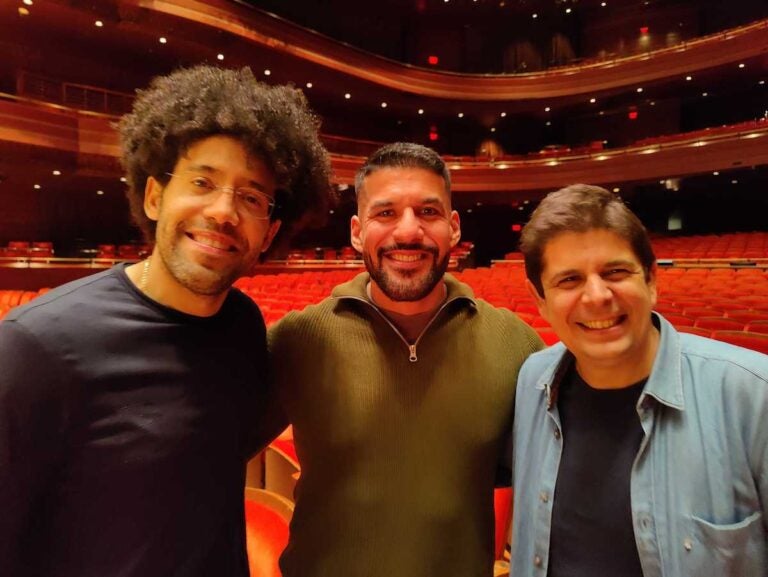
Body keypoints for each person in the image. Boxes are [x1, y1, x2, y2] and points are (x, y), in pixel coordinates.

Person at [0, 65, 331, 577]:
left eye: (250, 197)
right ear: (154, 196)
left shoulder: (242, 326)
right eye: (203, 181)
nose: (223, 211)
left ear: (268, 234)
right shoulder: (34, 346)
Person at [268, 142, 544, 577]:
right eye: (386, 213)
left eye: (429, 212)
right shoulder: (298, 339)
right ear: (357, 231)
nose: (409, 232)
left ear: (454, 228)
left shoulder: (515, 344)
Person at [510, 184, 768, 577]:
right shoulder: (531, 382)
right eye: (569, 281)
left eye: (615, 272)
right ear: (540, 300)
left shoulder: (754, 395)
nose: (596, 296)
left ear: (650, 279)